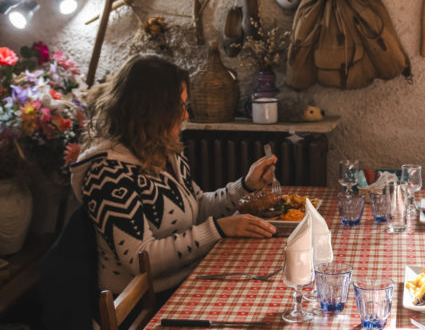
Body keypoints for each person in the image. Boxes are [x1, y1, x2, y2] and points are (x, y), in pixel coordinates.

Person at [70, 54, 277, 297]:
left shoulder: (164, 151)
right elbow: (140, 259)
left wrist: (245, 186)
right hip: (145, 304)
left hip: (186, 281)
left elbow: (198, 207)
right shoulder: (107, 172)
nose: (185, 115)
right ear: (150, 110)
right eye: (178, 107)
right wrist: (218, 229)